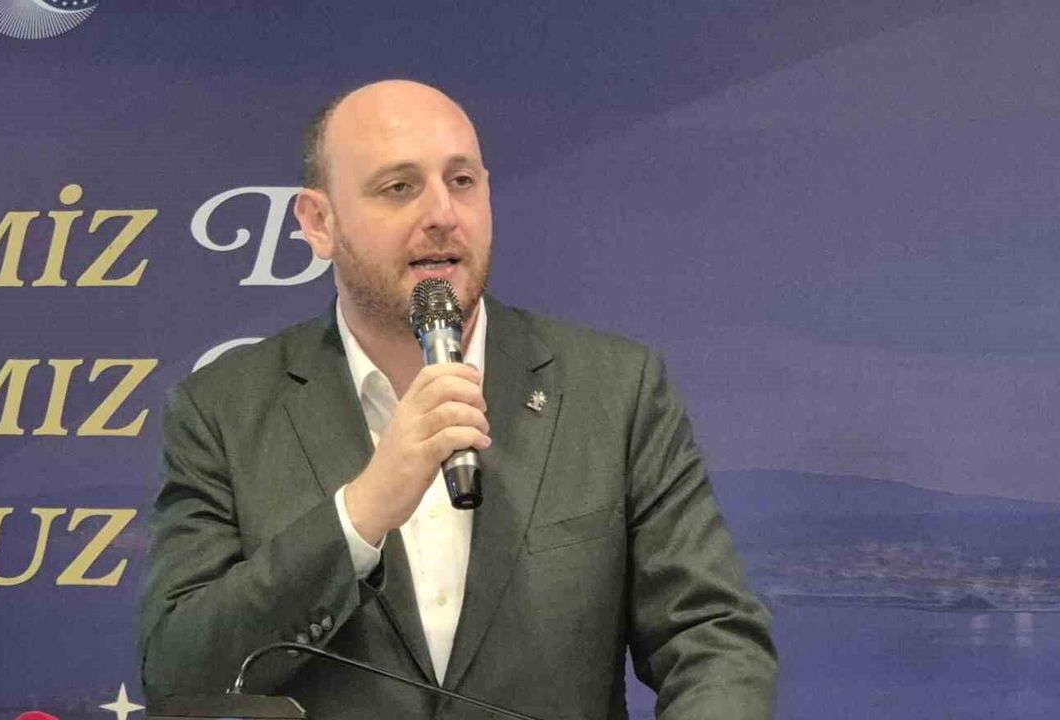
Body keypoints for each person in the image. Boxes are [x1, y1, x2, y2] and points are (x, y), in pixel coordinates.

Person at [139, 79, 777, 719]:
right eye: (400, 188)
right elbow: (179, 672)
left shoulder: (615, 389)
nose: (443, 213)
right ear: (319, 223)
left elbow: (712, 639)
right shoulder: (222, 409)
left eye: (462, 181)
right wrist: (359, 514)